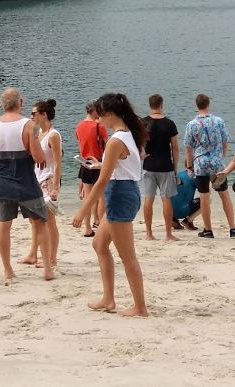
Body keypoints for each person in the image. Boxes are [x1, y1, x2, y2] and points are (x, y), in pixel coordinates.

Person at [72, 93, 148, 317]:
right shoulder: (128, 133)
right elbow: (123, 163)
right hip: (125, 190)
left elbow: (103, 181)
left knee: (128, 257)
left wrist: (83, 210)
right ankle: (108, 298)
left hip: (120, 194)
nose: (98, 120)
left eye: (99, 115)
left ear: (108, 114)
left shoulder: (116, 140)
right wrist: (101, 164)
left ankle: (140, 307)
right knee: (99, 245)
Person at [0, 88, 54, 282]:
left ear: (2, 104)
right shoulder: (29, 125)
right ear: (20, 103)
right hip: (26, 183)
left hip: (3, 183)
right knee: (41, 223)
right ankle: (47, 269)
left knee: (4, 225)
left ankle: (8, 270)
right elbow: (39, 157)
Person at [183, 94, 235, 238]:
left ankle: (208, 230)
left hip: (201, 163)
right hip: (216, 163)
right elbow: (225, 141)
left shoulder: (191, 124)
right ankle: (233, 228)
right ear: (208, 104)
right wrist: (221, 156)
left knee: (204, 196)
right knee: (224, 195)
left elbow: (188, 148)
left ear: (197, 105)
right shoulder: (218, 121)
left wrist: (189, 166)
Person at [21, 99, 62, 268]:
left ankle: (52, 259)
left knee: (49, 221)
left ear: (44, 115)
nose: (31, 116)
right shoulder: (38, 134)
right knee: (34, 220)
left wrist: (56, 187)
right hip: (36, 180)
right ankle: (33, 254)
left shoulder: (54, 135)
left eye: (34, 113)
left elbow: (58, 162)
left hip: (48, 180)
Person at [141, 94, 180, 241]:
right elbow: (175, 148)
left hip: (149, 164)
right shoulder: (169, 123)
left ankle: (149, 233)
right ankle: (168, 234)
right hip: (165, 165)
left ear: (150, 105)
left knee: (148, 199)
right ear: (161, 105)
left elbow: (139, 144)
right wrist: (175, 166)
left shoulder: (143, 122)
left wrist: (142, 155)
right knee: (166, 199)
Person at [74, 102, 108, 237]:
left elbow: (80, 144)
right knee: (102, 196)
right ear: (94, 111)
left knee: (87, 198)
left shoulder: (79, 126)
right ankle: (100, 224)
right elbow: (108, 144)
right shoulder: (100, 126)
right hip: (98, 162)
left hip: (85, 162)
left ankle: (88, 228)